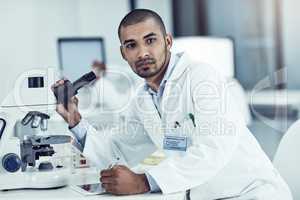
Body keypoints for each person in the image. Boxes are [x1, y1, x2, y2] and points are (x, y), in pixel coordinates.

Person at [53, 9, 292, 199]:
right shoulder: (143, 98)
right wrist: (75, 120)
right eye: (131, 45)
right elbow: (119, 149)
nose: (142, 52)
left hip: (250, 194)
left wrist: (144, 182)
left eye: (150, 40)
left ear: (168, 41)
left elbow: (213, 148)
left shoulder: (201, 77)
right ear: (123, 53)